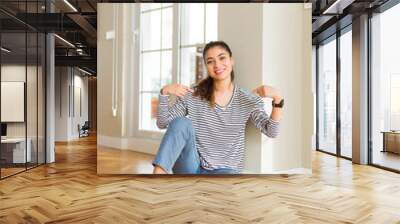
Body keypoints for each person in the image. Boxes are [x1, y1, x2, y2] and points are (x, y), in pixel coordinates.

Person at [152, 41, 283, 174]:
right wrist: (164, 92)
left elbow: (271, 131)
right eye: (210, 61)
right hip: (191, 167)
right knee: (181, 122)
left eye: (222, 58)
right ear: (206, 67)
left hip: (225, 171)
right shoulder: (193, 95)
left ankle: (197, 189)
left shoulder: (247, 99)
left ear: (231, 61)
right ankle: (158, 176)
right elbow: (163, 123)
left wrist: (278, 99)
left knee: (226, 183)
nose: (217, 65)